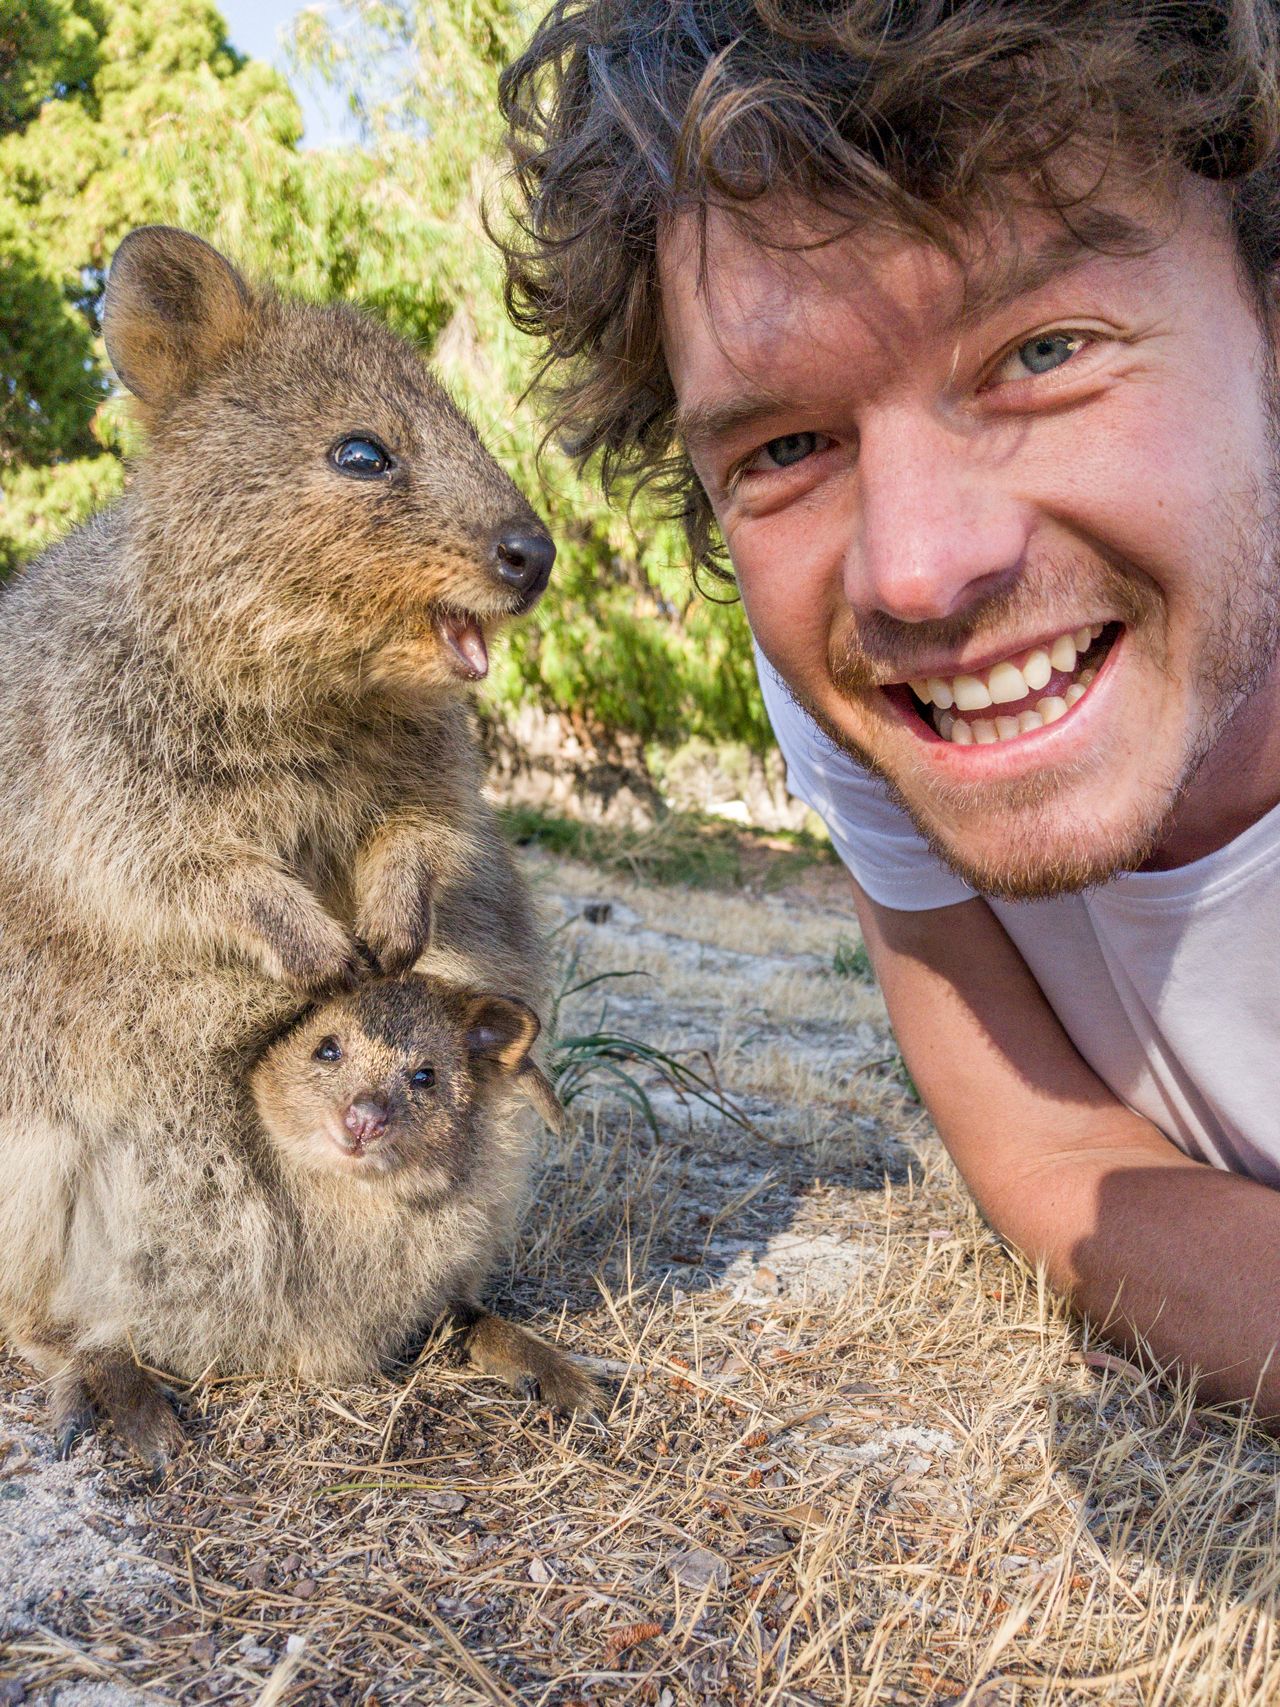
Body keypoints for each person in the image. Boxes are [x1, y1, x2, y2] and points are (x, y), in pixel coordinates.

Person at [496, 0, 1280, 1411]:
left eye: (1044, 352)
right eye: (788, 445)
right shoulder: (867, 689)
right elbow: (1053, 1161)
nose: (912, 574)